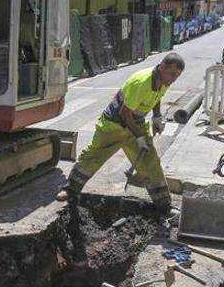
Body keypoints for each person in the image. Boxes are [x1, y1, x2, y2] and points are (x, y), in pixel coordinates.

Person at [55, 53, 185, 216]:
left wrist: (157, 116)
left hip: (136, 124)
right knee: (92, 156)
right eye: (173, 74)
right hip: (113, 126)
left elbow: (157, 96)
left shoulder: (163, 80)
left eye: (178, 76)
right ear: (162, 67)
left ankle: (164, 206)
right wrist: (139, 137)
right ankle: (70, 190)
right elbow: (125, 113)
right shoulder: (141, 82)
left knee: (150, 163)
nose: (174, 79)